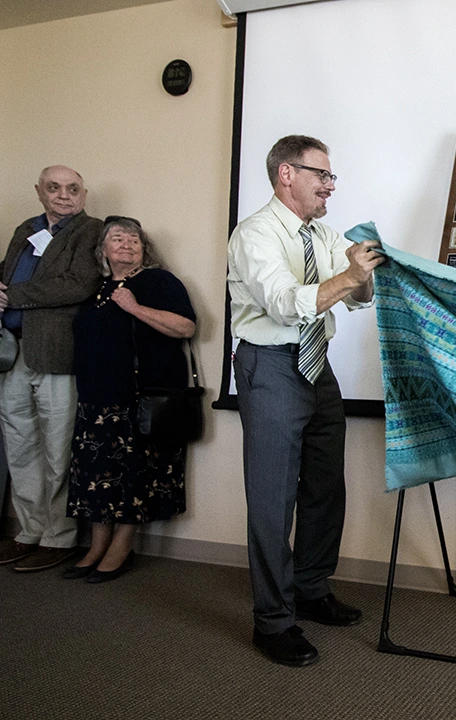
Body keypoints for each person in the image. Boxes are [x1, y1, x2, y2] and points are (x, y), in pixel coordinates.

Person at [228, 135, 384, 667]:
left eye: (332, 177)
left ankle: (311, 589)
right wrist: (349, 276)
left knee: (324, 483)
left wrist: (362, 277)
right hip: (270, 365)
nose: (330, 186)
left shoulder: (323, 231)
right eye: (322, 175)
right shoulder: (255, 233)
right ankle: (272, 622)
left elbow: (361, 297)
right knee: (274, 499)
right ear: (286, 174)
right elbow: (283, 303)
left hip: (318, 368)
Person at [64, 217, 196, 583]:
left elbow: (186, 327)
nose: (126, 244)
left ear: (144, 248)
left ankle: (122, 547)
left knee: (134, 478)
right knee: (97, 477)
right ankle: (96, 545)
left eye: (134, 239)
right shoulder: (97, 289)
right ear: (103, 249)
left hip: (140, 399)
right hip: (96, 400)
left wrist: (135, 308)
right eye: (117, 238)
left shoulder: (157, 281)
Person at [0, 166, 102, 572]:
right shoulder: (26, 227)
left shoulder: (89, 229)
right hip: (14, 352)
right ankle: (28, 531)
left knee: (58, 448)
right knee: (20, 444)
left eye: (72, 188)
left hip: (58, 352)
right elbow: (7, 273)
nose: (64, 195)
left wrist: (12, 297)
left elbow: (77, 284)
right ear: (39, 192)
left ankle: (58, 537)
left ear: (84, 193)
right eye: (54, 188)